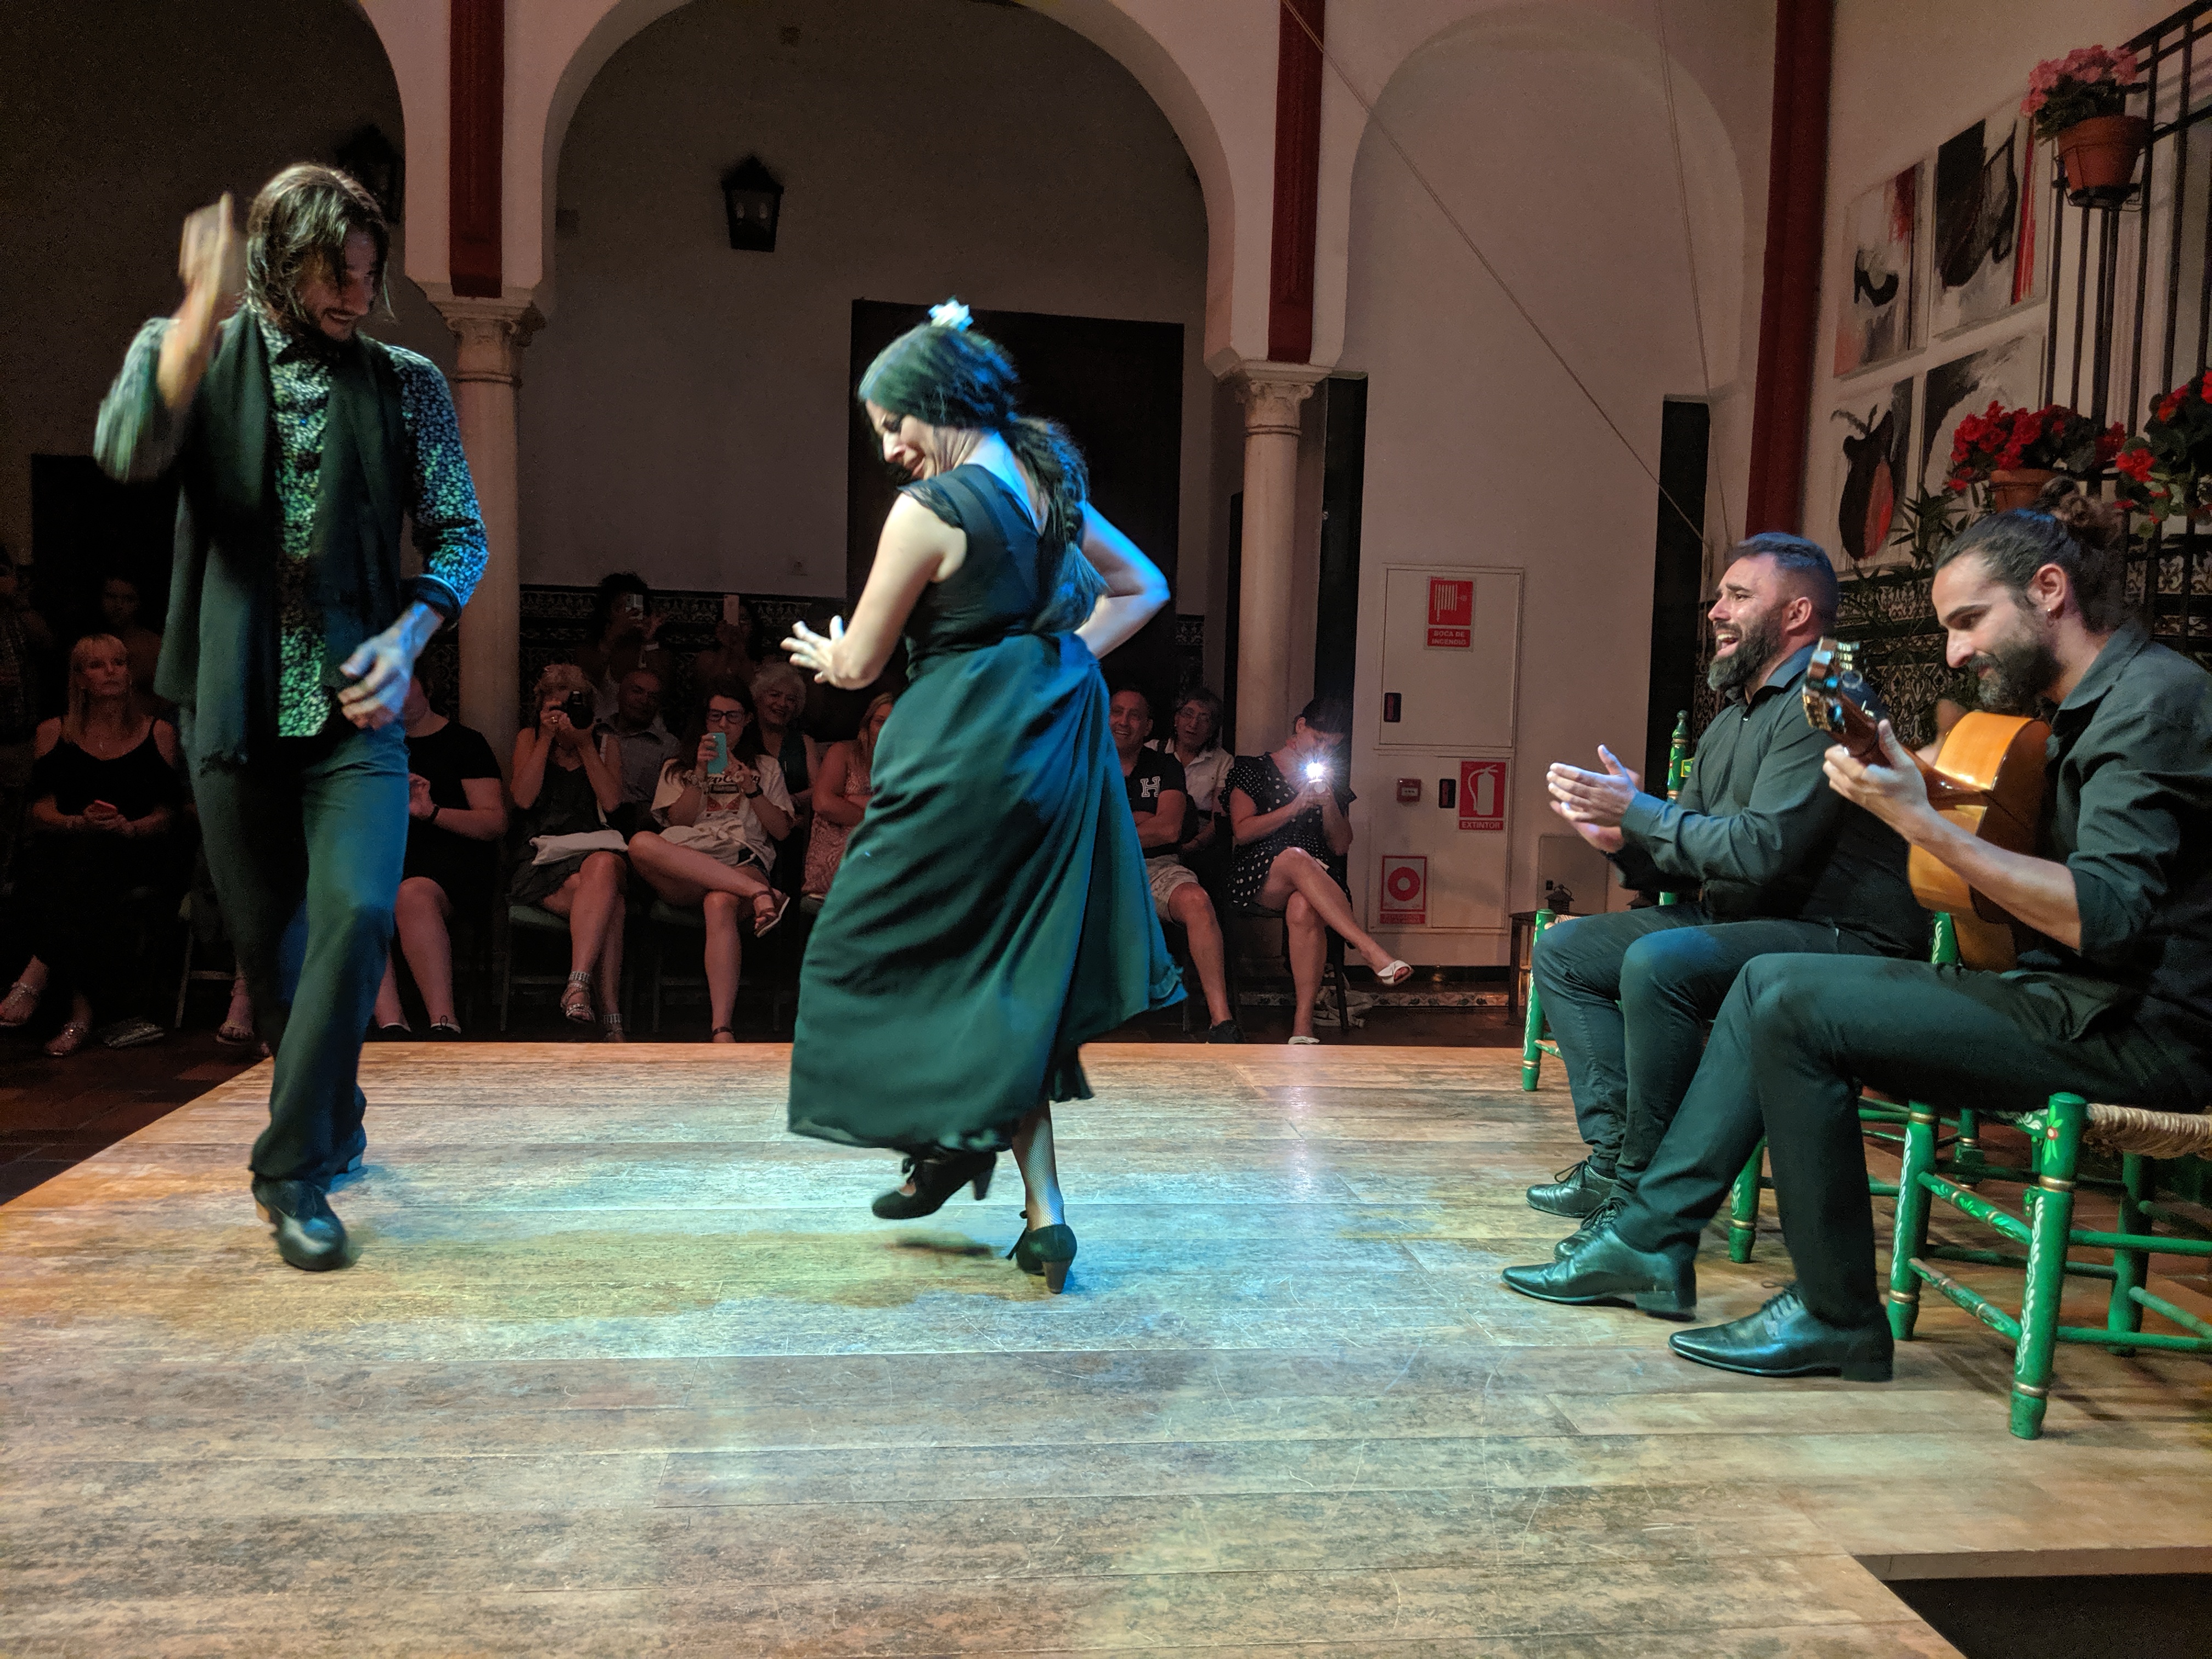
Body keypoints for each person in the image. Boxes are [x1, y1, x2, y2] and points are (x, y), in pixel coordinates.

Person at [1505, 490, 2212, 1381]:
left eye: (1968, 622)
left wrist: (1920, 819)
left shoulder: (2150, 703)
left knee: (1790, 996)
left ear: (2047, 590)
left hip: (2138, 1030)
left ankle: (1822, 1306)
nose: (1955, 653)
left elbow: (2105, 912)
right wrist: (1920, 785)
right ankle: (1654, 1240)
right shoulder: (2080, 710)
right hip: (2071, 997)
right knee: (1770, 985)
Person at [94, 167, 487, 1271]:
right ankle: (333, 1116)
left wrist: (409, 635)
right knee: (272, 963)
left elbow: (461, 531)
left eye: (368, 275)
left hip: (357, 707)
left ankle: (290, 1172)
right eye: (335, 275)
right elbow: (126, 451)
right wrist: (192, 315)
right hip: (234, 706)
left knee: (358, 913)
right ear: (275, 265)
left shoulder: (407, 383)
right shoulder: (195, 355)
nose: (357, 297)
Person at [782, 300, 1183, 1292]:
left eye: (892, 424)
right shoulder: (1047, 485)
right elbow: (1144, 587)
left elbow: (861, 663)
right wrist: (1053, 660)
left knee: (861, 948)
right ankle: (1041, 1209)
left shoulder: (930, 510)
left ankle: (948, 1143)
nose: (889, 449)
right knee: (1007, 972)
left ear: (937, 401)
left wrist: (829, 655)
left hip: (957, 748)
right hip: (1049, 751)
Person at [1517, 534, 1926, 1251]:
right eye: (1719, 596)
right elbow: (1690, 854)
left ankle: (1642, 1199)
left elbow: (1763, 851)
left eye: (1738, 596)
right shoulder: (1737, 713)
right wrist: (1623, 839)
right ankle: (1617, 1158)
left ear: (1797, 613)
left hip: (1840, 934)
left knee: (1660, 962)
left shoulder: (1828, 696)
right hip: (1750, 917)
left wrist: (1641, 811)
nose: (1715, 611)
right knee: (1565, 951)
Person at [0, 634, 185, 1055]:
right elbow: (39, 808)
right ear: (80, 678)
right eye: (98, 665)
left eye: (119, 663)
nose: (112, 672)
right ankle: (80, 1015)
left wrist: (131, 827)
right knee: (77, 867)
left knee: (91, 862)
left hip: (134, 848)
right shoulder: (54, 731)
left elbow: (168, 813)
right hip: (69, 847)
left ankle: (36, 978)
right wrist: (76, 821)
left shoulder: (158, 732)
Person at [1225, 698, 1411, 1043]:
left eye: (1332, 746)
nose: (1323, 750)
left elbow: (1340, 845)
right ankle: (1369, 949)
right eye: (1319, 739)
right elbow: (1242, 831)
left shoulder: (1331, 780)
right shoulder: (1253, 768)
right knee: (1296, 857)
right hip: (1260, 872)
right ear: (1300, 726)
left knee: (1304, 906)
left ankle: (1302, 1027)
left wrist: (1328, 805)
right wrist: (1294, 808)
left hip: (1318, 877)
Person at [627, 680, 795, 1042]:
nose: (723, 725)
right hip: (691, 865)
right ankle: (761, 893)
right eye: (715, 716)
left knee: (719, 902)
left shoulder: (765, 767)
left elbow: (782, 832)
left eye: (732, 717)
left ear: (747, 719)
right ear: (704, 720)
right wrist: (700, 775)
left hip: (742, 857)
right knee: (640, 843)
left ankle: (722, 1029)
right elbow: (677, 824)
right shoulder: (677, 767)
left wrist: (752, 789)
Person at [372, 675, 505, 1037]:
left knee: (411, 894)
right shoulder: (372, 745)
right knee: (359, 896)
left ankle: (444, 1022)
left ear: (427, 687)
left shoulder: (465, 743)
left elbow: (494, 823)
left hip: (454, 861)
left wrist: (431, 812)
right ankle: (391, 1024)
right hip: (390, 857)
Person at [1111, 686, 1239, 1041]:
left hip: (1157, 866)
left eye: (1135, 715)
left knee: (1197, 901)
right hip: (1093, 866)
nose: (1124, 722)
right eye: (1117, 712)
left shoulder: (1164, 765)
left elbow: (1168, 829)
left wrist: (1111, 825)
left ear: (1148, 726)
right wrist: (1141, 820)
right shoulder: (1082, 762)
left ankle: (1222, 1022)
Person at [510, 662, 629, 1039]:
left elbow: (611, 803)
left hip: (595, 851)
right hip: (542, 858)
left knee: (603, 865)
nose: (563, 716)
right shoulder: (529, 738)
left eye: (571, 707)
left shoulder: (605, 743)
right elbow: (523, 799)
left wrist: (584, 743)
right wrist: (546, 739)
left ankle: (577, 987)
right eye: (555, 708)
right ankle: (611, 1017)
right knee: (612, 906)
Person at [0, 550, 57, 891]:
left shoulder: (17, 615)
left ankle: (10, 882)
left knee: (17, 817)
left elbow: (48, 643)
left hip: (22, 734)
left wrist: (19, 601)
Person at [803, 691, 893, 901]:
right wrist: (877, 818)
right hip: (839, 849)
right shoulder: (844, 752)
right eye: (880, 722)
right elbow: (823, 803)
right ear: (868, 724)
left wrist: (851, 800)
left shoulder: (910, 763)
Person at [750, 659, 821, 896]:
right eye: (775, 695)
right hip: (748, 826)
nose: (782, 704)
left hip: (792, 829)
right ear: (758, 697)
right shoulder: (743, 740)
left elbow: (819, 789)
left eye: (791, 699)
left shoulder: (804, 742)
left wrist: (791, 801)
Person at [569, 571, 674, 722]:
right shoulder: (589, 649)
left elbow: (663, 691)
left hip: (645, 729)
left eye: (633, 608)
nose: (628, 615)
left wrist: (650, 641)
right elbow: (585, 686)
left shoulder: (655, 650)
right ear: (607, 612)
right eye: (620, 608)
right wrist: (612, 637)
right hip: (601, 727)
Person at [1150, 685, 1231, 872]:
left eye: (1204, 719)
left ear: (1212, 729)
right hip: (1153, 834)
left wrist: (1193, 845)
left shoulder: (1223, 761)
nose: (1193, 724)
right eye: (1188, 714)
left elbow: (1219, 819)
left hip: (1198, 844)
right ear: (1176, 719)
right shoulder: (1152, 750)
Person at [601, 664, 682, 831]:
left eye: (653, 697)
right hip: (589, 818)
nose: (644, 700)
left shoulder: (668, 746)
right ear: (619, 694)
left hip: (638, 825)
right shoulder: (594, 733)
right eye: (637, 691)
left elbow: (669, 807)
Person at [99, 574, 170, 716]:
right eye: (111, 597)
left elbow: (167, 701)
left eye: (128, 599)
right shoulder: (87, 645)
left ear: (138, 604)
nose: (118, 606)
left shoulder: (152, 647)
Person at [692, 596, 761, 704]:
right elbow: (711, 691)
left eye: (744, 619)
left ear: (753, 625)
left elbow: (754, 692)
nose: (738, 625)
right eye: (733, 620)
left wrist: (740, 649)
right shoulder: (707, 658)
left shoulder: (765, 662)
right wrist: (726, 645)